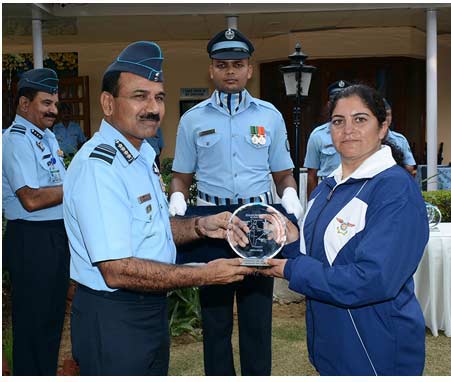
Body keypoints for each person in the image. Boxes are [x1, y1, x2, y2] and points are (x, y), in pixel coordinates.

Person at [62, 40, 255, 376]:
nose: (153, 108)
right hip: (114, 317)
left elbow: (149, 228)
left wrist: (199, 226)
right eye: (140, 96)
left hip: (147, 309)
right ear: (108, 103)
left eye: (159, 97)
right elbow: (117, 269)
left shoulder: (140, 156)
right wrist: (203, 275)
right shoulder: (100, 167)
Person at [258, 84, 429, 376]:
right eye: (338, 121)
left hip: (377, 351)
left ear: (383, 126)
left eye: (360, 119)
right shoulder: (327, 186)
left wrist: (290, 271)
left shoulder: (395, 189)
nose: (348, 129)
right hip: (334, 347)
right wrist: (284, 236)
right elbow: (317, 256)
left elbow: (373, 279)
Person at [168, 28, 302, 376]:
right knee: (215, 323)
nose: (230, 71)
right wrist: (177, 200)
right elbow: (181, 175)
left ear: (249, 69)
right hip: (213, 224)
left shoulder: (269, 116)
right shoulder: (193, 119)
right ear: (211, 70)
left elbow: (283, 172)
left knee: (257, 321)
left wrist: (290, 195)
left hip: (258, 220)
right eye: (222, 64)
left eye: (238, 64)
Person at [1, 68, 68, 376]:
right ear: (24, 104)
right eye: (46, 103)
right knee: (32, 323)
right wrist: (76, 188)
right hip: (31, 239)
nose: (53, 110)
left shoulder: (45, 135)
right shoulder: (15, 140)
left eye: (54, 103)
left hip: (52, 236)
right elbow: (30, 198)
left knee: (52, 319)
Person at [303, 80, 349, 196]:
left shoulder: (361, 133)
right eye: (336, 101)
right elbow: (312, 176)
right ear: (329, 105)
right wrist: (312, 206)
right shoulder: (318, 135)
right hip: (328, 193)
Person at [382, 98, 418, 176]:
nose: (386, 118)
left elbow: (410, 167)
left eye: (388, 114)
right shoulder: (367, 138)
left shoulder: (400, 140)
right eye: (382, 115)